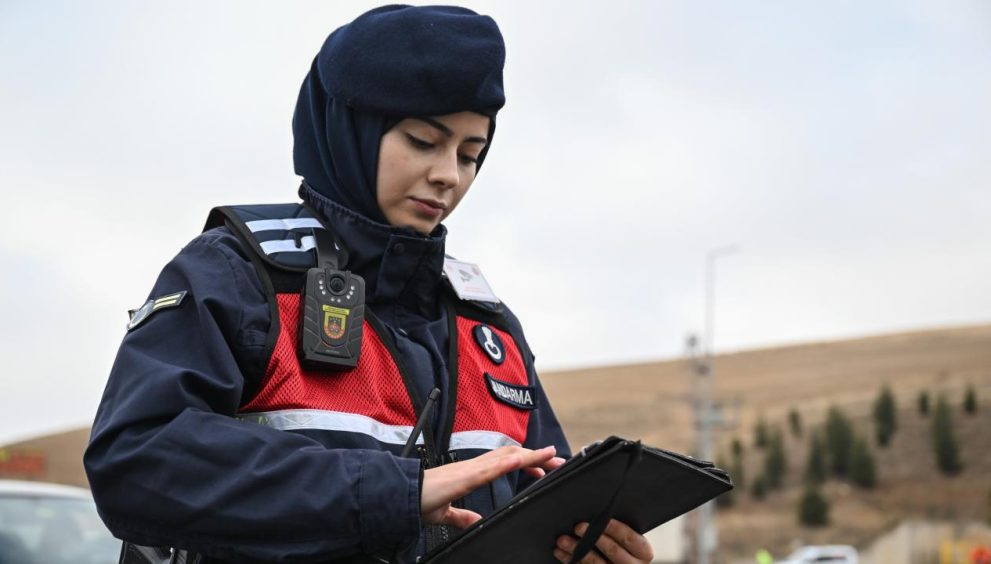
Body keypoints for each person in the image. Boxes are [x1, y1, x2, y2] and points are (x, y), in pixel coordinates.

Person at [84, 5, 653, 563]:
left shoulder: (489, 326)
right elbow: (134, 462)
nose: (448, 175)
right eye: (423, 141)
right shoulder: (234, 273)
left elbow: (539, 502)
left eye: (470, 154)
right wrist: (393, 493)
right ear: (348, 129)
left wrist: (581, 546)